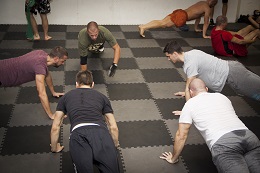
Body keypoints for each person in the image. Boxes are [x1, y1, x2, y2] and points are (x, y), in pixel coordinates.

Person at [160, 78, 260, 173]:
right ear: (206, 89)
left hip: (224, 144)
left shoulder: (190, 104)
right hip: (249, 137)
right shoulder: (222, 97)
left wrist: (174, 158)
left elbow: (181, 136)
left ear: (190, 92)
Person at [50, 70, 120, 173]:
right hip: (101, 133)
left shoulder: (65, 97)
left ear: (76, 84)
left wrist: (54, 147)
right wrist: (114, 144)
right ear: (92, 84)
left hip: (78, 134)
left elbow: (55, 127)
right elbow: (113, 126)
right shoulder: (102, 97)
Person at [163, 40, 260, 101]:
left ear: (175, 54)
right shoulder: (192, 53)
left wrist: (187, 111)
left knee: (256, 93)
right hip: (233, 69)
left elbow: (188, 86)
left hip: (234, 74)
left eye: (169, 56)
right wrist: (189, 93)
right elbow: (197, 82)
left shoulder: (190, 64)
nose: (168, 59)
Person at [0, 46, 68, 119]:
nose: (63, 63)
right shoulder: (39, 66)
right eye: (62, 61)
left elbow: (47, 75)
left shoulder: (41, 53)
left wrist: (53, 92)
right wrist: (51, 115)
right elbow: (41, 93)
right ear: (56, 59)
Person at [138, 0, 218, 39]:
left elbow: (198, 17)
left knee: (162, 22)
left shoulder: (201, 3)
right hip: (182, 16)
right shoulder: (207, 8)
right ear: (213, 3)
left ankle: (143, 26)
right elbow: (206, 22)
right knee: (163, 24)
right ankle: (144, 27)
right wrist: (204, 35)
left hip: (180, 12)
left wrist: (196, 28)